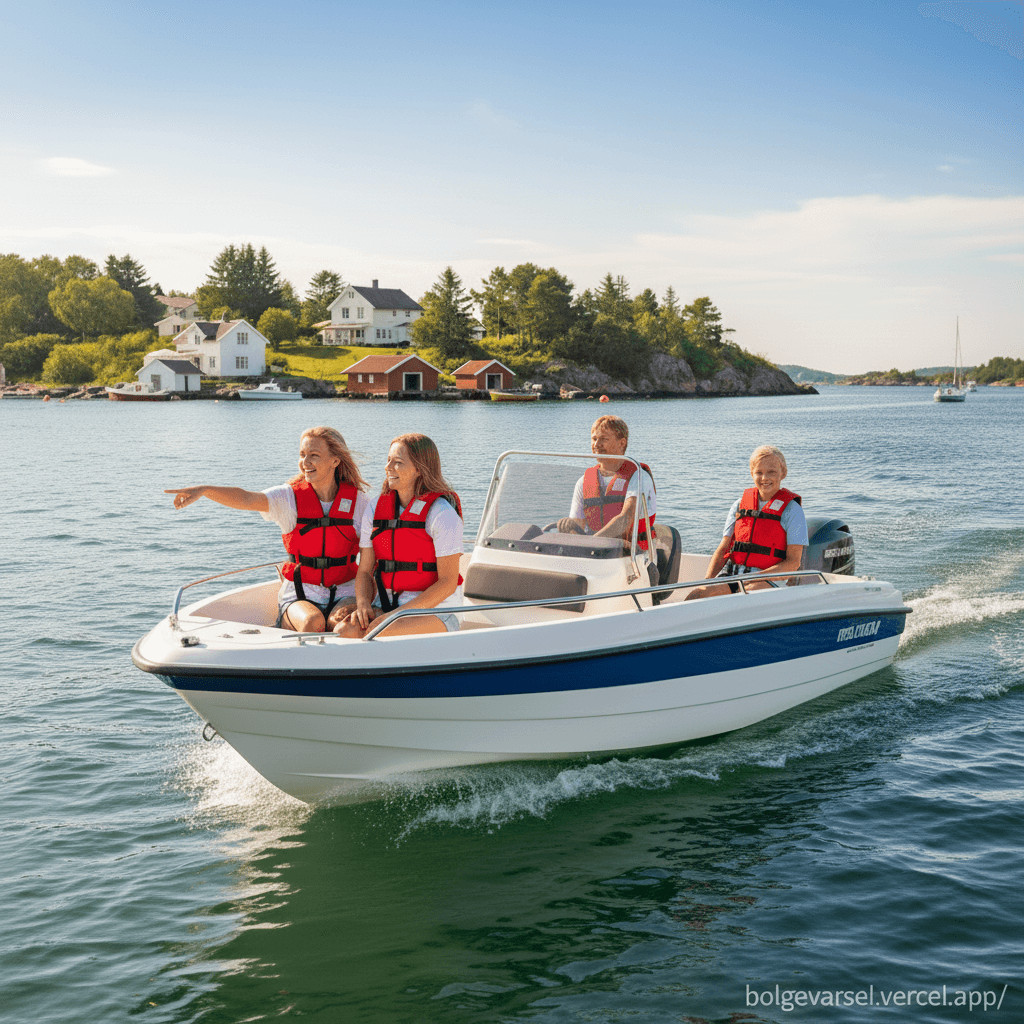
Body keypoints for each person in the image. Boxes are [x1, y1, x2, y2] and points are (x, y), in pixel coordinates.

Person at [165, 426, 370, 632]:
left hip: (345, 592)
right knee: (312, 622)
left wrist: (367, 599)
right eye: (302, 455)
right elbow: (246, 498)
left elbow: (372, 556)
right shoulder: (288, 498)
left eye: (314, 455)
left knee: (346, 627)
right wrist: (205, 490)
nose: (305, 462)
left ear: (335, 461)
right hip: (301, 594)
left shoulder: (360, 502)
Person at [335, 433, 464, 639]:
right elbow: (365, 570)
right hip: (386, 604)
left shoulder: (442, 514)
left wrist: (396, 616)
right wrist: (363, 604)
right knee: (343, 631)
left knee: (378, 633)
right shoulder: (375, 508)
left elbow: (448, 583)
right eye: (388, 460)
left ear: (420, 469)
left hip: (437, 610)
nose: (387, 467)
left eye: (398, 462)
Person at [688, 444, 807, 599]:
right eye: (759, 472)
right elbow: (724, 548)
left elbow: (793, 562)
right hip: (733, 573)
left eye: (771, 472)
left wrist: (756, 578)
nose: (765, 478)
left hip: (768, 578)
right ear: (752, 473)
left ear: (783, 472)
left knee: (743, 597)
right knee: (696, 596)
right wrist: (707, 582)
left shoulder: (792, 510)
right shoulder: (739, 505)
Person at [556, 415, 657, 551]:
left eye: (604, 439)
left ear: (622, 443)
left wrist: (591, 544)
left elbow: (625, 519)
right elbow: (577, 525)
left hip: (634, 554)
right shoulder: (583, 482)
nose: (597, 445)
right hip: (596, 553)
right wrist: (569, 527)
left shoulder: (639, 477)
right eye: (594, 439)